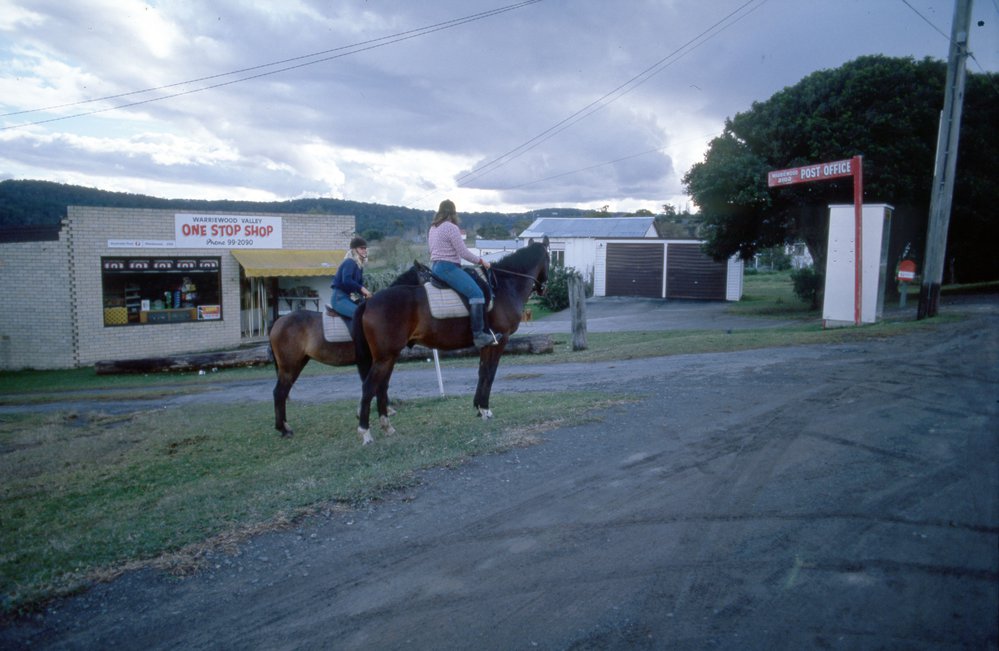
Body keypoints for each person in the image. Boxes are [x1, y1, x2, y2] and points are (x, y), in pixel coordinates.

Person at [428, 199, 502, 349]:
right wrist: (481, 261)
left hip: (435, 266)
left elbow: (432, 250)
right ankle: (479, 335)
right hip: (448, 268)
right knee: (477, 294)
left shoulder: (433, 228)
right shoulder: (451, 228)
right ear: (453, 213)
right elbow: (463, 253)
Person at [330, 236, 372, 326]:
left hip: (348, 298)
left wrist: (367, 296)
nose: (364, 250)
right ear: (354, 250)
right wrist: (362, 289)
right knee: (360, 315)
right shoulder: (349, 262)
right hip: (339, 298)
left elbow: (359, 285)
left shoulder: (359, 266)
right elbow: (347, 281)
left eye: (365, 248)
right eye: (361, 248)